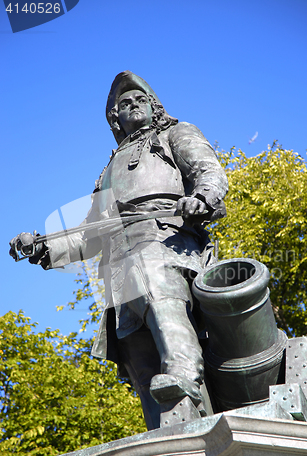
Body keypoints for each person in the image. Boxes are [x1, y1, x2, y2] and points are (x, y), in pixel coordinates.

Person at [10, 71, 228, 430]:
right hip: (118, 263)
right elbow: (87, 234)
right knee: (138, 356)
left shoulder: (174, 134)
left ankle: (184, 373)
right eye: (124, 103)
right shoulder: (107, 170)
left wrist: (202, 198)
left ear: (153, 106)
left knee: (162, 300)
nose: (132, 105)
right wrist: (42, 246)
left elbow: (208, 170)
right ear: (116, 117)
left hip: (165, 242)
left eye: (139, 99)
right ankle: (161, 428)